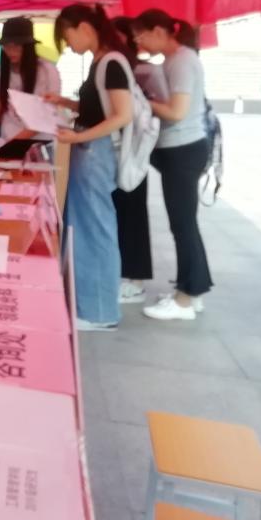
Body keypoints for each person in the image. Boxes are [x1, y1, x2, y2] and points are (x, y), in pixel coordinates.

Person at [48, 4, 133, 331]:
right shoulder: (102, 61)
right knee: (82, 226)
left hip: (96, 151)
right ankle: (85, 303)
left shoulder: (112, 62)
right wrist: (65, 103)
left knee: (95, 228)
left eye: (67, 36)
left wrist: (78, 136)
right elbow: (98, 109)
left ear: (84, 27)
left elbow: (122, 115)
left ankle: (100, 312)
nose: (69, 45)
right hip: (88, 149)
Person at [131, 9, 213, 322]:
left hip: (183, 149)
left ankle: (184, 300)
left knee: (183, 225)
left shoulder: (181, 61)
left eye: (141, 35)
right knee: (184, 223)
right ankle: (194, 290)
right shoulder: (173, 60)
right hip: (177, 148)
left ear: (159, 31)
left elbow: (177, 112)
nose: (139, 42)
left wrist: (140, 100)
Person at [109, 16, 156, 304]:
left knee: (134, 213)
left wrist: (135, 104)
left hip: (134, 149)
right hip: (119, 149)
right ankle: (126, 273)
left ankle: (136, 279)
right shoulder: (117, 66)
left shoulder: (141, 70)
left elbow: (165, 107)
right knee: (123, 212)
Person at [0, 17, 60, 138]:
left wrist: (15, 142)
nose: (11, 51)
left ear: (28, 47)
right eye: (6, 46)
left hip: (39, 141)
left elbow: (48, 116)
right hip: (8, 139)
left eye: (16, 46)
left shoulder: (47, 71)